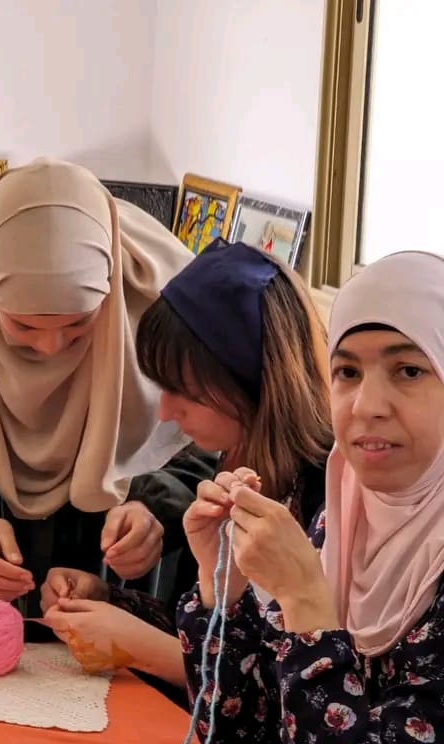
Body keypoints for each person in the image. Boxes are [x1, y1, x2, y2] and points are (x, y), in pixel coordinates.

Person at [171, 250, 444, 744]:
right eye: (346, 372)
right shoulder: (345, 509)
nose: (367, 406)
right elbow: (236, 730)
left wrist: (307, 602)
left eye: (409, 371)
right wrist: (222, 587)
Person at [0, 157, 213, 621]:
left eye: (79, 325)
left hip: (121, 555)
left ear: (111, 286)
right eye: (21, 326)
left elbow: (210, 440)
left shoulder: (164, 286)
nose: (51, 347)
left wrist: (155, 511)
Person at [42, 239, 331, 692]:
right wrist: (112, 601)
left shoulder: (327, 498)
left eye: (186, 391)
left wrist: (138, 645)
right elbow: (215, 629)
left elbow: (278, 695)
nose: (165, 412)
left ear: (251, 380)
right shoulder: (237, 463)